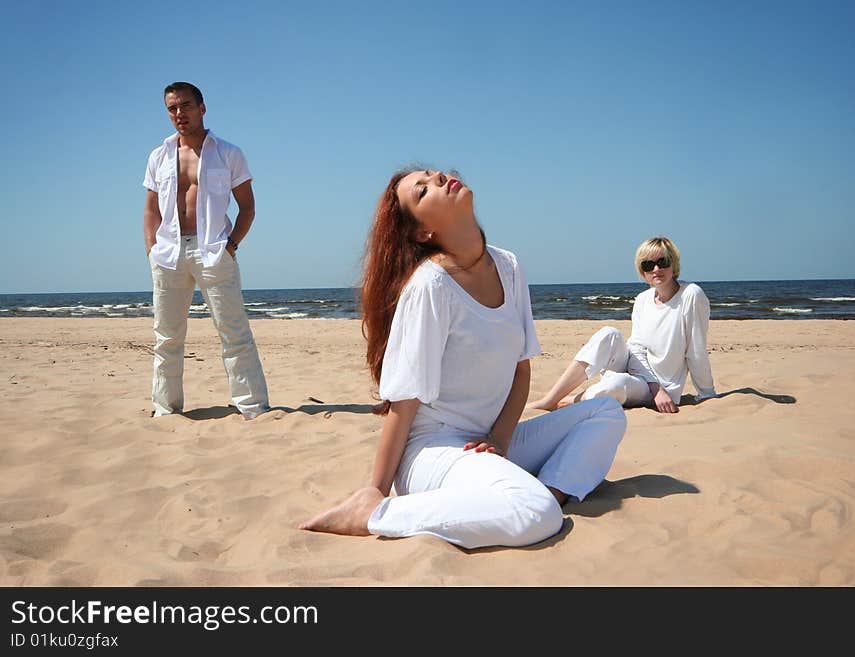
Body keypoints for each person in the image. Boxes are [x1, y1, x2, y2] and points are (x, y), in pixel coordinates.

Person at [299, 167, 627, 549]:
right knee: (535, 513)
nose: (438, 177)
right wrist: (376, 490)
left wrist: (500, 441)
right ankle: (372, 516)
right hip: (435, 452)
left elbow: (521, 369)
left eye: (431, 173)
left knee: (604, 412)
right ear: (422, 232)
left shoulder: (509, 266)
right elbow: (403, 404)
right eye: (421, 191)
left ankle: (549, 492)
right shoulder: (430, 286)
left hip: (486, 443)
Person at [142, 81, 269, 419]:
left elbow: (248, 207)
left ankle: (252, 406)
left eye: (185, 105)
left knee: (234, 331)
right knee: (167, 337)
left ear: (202, 108)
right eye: (172, 108)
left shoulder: (228, 153)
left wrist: (231, 246)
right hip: (168, 253)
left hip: (213, 250)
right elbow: (151, 210)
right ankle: (165, 408)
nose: (179, 113)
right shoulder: (158, 156)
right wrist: (151, 249)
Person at [527, 236, 716, 414]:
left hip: (659, 387)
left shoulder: (691, 295)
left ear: (673, 264)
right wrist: (654, 386)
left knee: (615, 384)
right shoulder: (643, 299)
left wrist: (707, 394)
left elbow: (696, 350)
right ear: (642, 271)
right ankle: (550, 400)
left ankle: (574, 399)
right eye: (649, 265)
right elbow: (636, 347)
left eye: (663, 262)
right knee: (609, 333)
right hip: (640, 373)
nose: (656, 269)